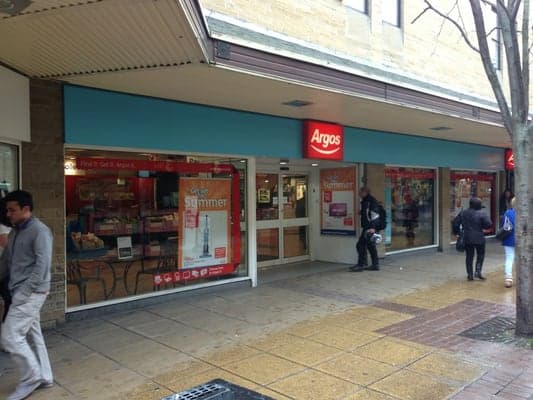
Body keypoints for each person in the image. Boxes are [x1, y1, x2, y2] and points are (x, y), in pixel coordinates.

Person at [0, 190, 54, 400]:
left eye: (12, 210)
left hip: (31, 292)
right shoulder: (15, 233)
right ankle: (46, 377)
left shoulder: (40, 231)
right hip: (20, 291)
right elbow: (6, 263)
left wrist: (24, 292)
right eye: (7, 210)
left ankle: (31, 377)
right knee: (34, 335)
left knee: (10, 336)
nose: (8, 214)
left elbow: (42, 266)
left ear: (26, 209)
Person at [453, 197, 492, 281]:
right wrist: (482, 226)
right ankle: (478, 272)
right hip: (479, 238)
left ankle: (470, 274)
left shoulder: (463, 213)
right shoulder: (482, 213)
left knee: (469, 256)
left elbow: (455, 223)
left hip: (467, 238)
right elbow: (488, 225)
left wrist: (457, 233)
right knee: (480, 255)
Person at [350, 186, 381, 272]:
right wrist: (362, 212)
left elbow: (375, 215)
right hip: (368, 226)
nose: (359, 194)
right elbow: (369, 213)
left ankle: (361, 264)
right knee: (371, 246)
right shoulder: (366, 201)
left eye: (360, 192)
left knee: (360, 245)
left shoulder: (369, 201)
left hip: (369, 227)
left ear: (365, 192)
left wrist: (373, 228)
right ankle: (375, 264)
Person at [501, 197, 516, 288]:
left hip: (509, 238)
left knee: (509, 258)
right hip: (524, 238)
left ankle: (508, 279)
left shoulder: (507, 213)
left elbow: (504, 225)